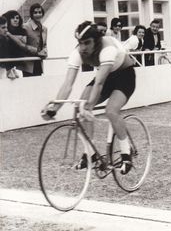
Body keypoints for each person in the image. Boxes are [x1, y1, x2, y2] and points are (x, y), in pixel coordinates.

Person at [41, 21, 136, 174]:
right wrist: (54, 108)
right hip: (104, 75)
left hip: (124, 76)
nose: (83, 48)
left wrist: (90, 107)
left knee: (111, 110)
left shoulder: (107, 49)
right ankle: (90, 154)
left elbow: (99, 83)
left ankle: (126, 153)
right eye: (80, 43)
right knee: (80, 107)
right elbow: (67, 84)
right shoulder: (77, 52)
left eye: (87, 43)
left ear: (96, 41)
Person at [23, 3, 47, 77]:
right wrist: (37, 52)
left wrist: (45, 52)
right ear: (31, 14)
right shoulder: (25, 27)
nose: (38, 14)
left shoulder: (44, 29)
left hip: (39, 62)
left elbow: (44, 44)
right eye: (35, 12)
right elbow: (22, 45)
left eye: (40, 12)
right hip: (28, 65)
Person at [2, 10, 28, 79]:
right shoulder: (5, 29)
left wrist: (9, 35)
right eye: (13, 18)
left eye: (17, 18)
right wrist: (19, 37)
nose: (16, 20)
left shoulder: (22, 30)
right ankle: (10, 69)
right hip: (8, 59)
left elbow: (24, 42)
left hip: (19, 59)